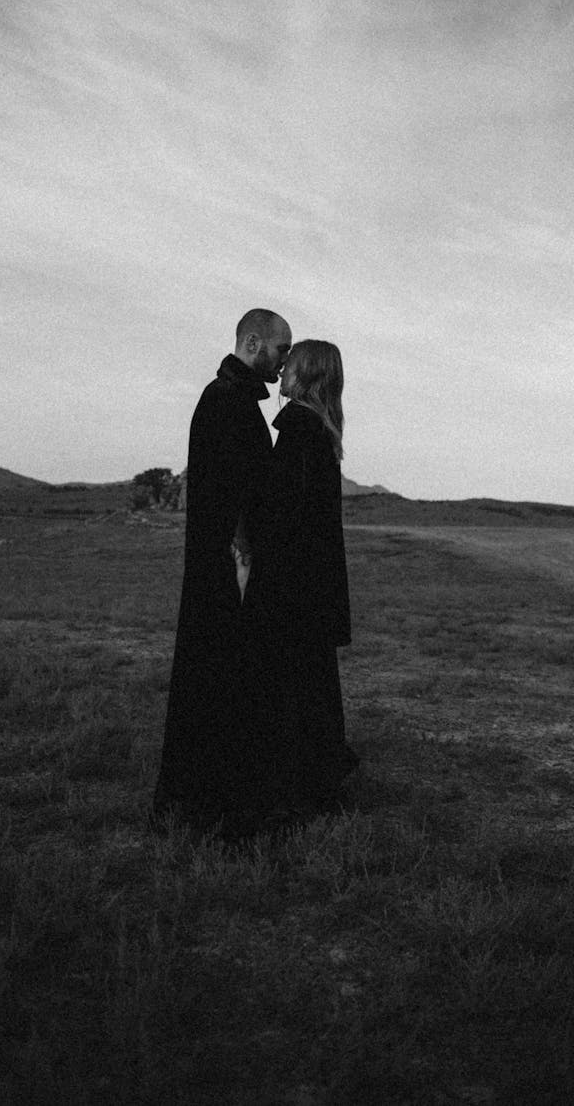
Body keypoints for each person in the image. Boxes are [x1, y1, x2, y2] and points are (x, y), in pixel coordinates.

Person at [154, 308, 292, 833]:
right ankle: (210, 810)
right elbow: (238, 501)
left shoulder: (231, 399)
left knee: (217, 688)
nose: (284, 361)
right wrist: (243, 566)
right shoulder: (227, 402)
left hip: (222, 571)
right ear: (253, 343)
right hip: (223, 574)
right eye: (280, 349)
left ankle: (208, 804)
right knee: (215, 688)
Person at [243, 339, 359, 826]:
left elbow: (282, 515)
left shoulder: (297, 429)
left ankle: (300, 789)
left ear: (304, 374)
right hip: (314, 587)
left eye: (291, 361)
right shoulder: (323, 431)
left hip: (291, 587)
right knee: (312, 684)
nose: (282, 367)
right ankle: (322, 782)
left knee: (290, 688)